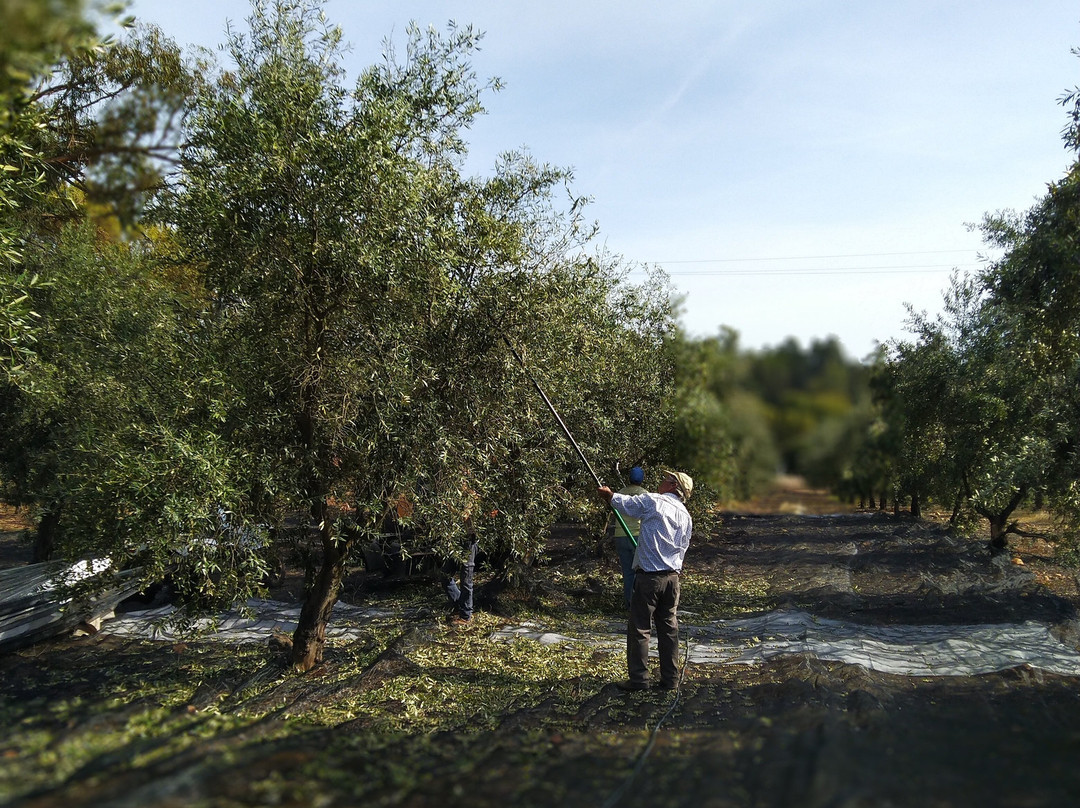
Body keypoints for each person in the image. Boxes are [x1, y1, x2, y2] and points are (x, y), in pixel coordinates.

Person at [598, 469, 693, 691]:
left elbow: (628, 505)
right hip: (672, 579)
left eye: (665, 479)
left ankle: (639, 680)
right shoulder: (686, 516)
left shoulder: (655, 501)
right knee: (669, 629)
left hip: (650, 577)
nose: (661, 481)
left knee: (640, 627)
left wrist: (609, 496)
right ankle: (670, 680)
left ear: (672, 485)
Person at [607, 466, 647, 609]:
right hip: (637, 536)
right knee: (640, 572)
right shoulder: (645, 495)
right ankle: (638, 604)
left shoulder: (619, 494)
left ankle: (629, 603)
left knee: (628, 572)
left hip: (620, 535)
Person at [442, 516, 478, 625]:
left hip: (469, 541)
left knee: (466, 580)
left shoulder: (472, 503)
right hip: (457, 541)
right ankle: (459, 605)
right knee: (445, 575)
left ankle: (466, 616)